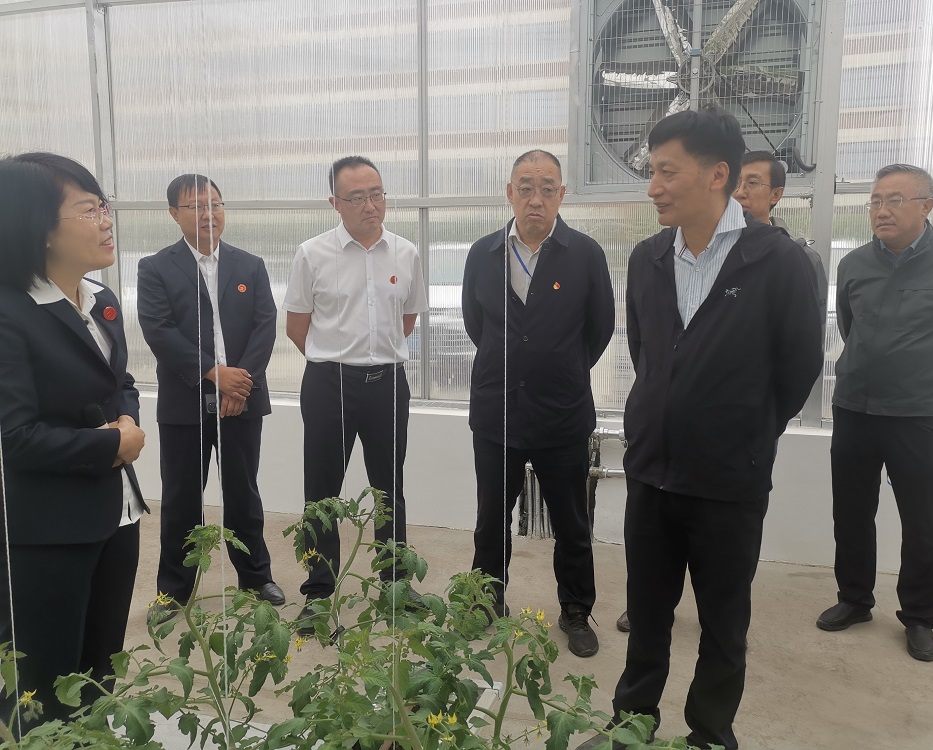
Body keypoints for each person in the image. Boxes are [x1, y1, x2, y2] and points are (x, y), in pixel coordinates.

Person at [578, 108, 823, 750]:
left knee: (723, 622)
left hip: (728, 480)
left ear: (717, 175)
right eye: (651, 172)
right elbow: (648, 354)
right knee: (647, 614)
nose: (653, 187)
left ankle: (711, 733)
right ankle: (631, 724)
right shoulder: (649, 258)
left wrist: (743, 432)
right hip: (652, 470)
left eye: (667, 172)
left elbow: (798, 367)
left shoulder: (778, 261)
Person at [817, 164, 933, 662]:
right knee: (852, 511)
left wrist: (927, 374)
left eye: (895, 199)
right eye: (875, 201)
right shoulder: (854, 264)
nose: (882, 210)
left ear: (926, 205)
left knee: (921, 518)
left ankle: (919, 616)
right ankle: (854, 599)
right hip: (855, 406)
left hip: (918, 413)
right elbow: (850, 328)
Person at [0, 152, 147, 729]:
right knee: (45, 684)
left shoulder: (99, 298)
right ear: (38, 226)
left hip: (118, 514)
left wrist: (126, 423)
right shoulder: (11, 313)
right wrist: (111, 445)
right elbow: (15, 437)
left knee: (100, 671)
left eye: (104, 206)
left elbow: (120, 383)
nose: (106, 221)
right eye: (88, 210)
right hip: (48, 530)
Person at [462, 150, 615, 657]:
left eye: (547, 188)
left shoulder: (585, 254)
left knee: (572, 522)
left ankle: (575, 609)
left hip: (562, 414)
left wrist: (560, 368)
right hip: (497, 412)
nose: (536, 198)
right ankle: (487, 602)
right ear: (509, 193)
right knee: (490, 520)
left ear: (561, 195)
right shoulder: (483, 253)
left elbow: (600, 329)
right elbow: (476, 325)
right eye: (526, 187)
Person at [283, 156, 427, 634]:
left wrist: (373, 358)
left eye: (377, 194)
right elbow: (297, 326)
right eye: (358, 197)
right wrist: (336, 361)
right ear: (335, 203)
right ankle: (318, 594)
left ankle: (395, 586)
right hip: (330, 385)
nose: (371, 205)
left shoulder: (405, 253)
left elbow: (407, 321)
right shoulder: (312, 254)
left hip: (387, 384)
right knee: (321, 492)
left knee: (390, 488)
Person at [138, 174, 284, 623]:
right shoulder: (155, 268)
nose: (208, 214)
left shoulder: (250, 265)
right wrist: (213, 373)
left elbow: (265, 325)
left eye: (215, 204)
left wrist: (240, 383)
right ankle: (173, 590)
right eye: (196, 206)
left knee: (243, 492)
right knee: (181, 498)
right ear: (174, 214)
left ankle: (256, 577)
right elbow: (158, 329)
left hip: (242, 396)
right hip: (185, 400)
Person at [733, 150, 828, 315]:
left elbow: (813, 323)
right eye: (734, 183)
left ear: (776, 194)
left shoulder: (802, 257)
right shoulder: (709, 251)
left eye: (752, 183)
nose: (739, 192)